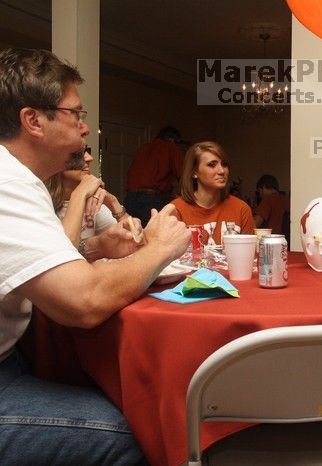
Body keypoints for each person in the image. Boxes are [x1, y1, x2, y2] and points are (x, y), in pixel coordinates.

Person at [0, 47, 191, 465]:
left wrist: (102, 248)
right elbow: (82, 303)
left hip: (15, 360)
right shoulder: (6, 182)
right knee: (134, 432)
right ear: (33, 120)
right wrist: (161, 247)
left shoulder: (22, 179)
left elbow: (60, 271)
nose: (86, 129)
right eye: (75, 113)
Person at [170, 141, 254, 245]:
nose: (222, 171)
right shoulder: (176, 210)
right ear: (194, 172)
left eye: (224, 164)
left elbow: (251, 256)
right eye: (212, 165)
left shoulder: (241, 209)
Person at [45, 146, 130, 247]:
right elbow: (63, 252)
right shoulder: (41, 201)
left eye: (87, 151)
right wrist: (81, 192)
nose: (89, 158)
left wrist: (113, 202)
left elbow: (133, 240)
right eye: (77, 154)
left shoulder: (93, 201)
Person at [124, 124, 185, 226]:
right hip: (151, 199)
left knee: (132, 234)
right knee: (153, 236)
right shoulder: (170, 147)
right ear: (172, 139)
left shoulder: (143, 147)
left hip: (130, 197)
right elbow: (183, 175)